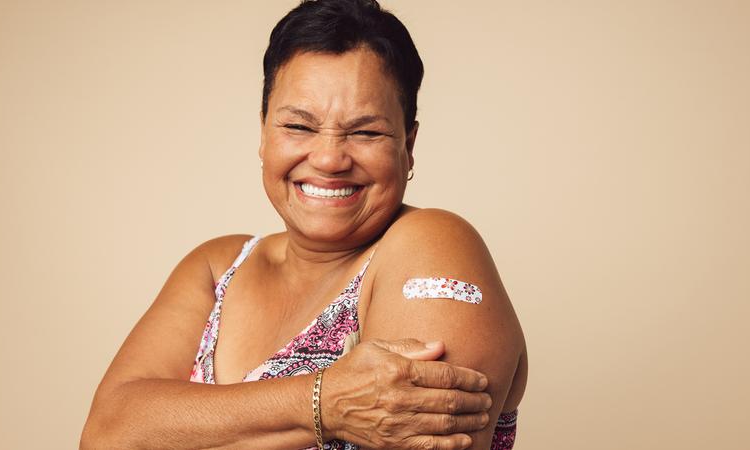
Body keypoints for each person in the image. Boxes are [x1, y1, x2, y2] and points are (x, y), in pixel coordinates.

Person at [81, 0, 528, 448]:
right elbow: (107, 433)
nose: (329, 158)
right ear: (263, 131)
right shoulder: (219, 266)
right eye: (298, 126)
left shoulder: (433, 246)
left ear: (408, 144)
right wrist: (322, 402)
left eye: (366, 132)